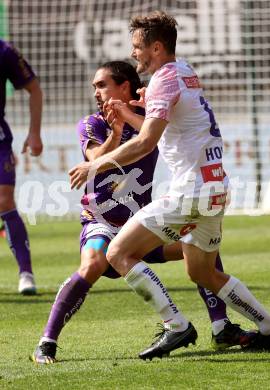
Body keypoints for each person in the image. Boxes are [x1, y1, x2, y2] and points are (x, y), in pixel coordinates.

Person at [69, 11, 270, 361]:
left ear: (156, 47)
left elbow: (145, 143)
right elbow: (177, 118)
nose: (134, 55)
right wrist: (141, 108)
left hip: (190, 190)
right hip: (215, 187)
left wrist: (95, 163)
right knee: (200, 270)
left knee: (119, 253)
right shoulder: (184, 71)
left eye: (137, 48)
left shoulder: (163, 80)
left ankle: (176, 326)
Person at [31, 61, 256, 364]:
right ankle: (47, 342)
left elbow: (164, 137)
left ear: (124, 87)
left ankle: (221, 326)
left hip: (141, 225)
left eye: (102, 85)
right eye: (94, 87)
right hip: (102, 221)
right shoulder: (91, 123)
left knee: (197, 243)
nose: (95, 92)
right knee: (93, 263)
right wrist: (117, 131)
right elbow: (96, 157)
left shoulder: (151, 120)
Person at [0, 39, 43, 295]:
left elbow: (34, 89)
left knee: (4, 200)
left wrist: (34, 133)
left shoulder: (5, 52)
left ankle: (25, 273)